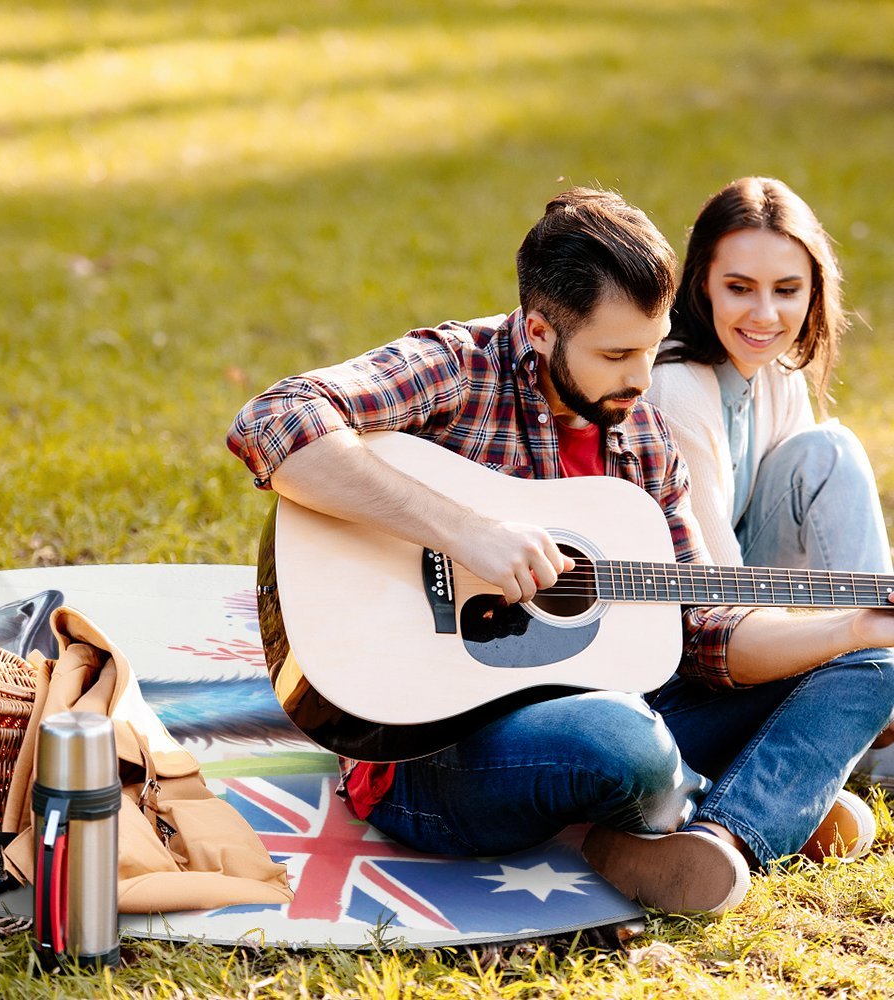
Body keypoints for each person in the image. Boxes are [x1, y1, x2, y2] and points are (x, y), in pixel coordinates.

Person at [227, 187, 894, 916]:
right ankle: (755, 795)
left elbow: (703, 629)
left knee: (874, 665)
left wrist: (850, 628)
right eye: (616, 354)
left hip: (620, 708)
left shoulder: (642, 435)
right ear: (540, 330)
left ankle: (724, 836)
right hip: (431, 753)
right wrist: (463, 531)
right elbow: (274, 419)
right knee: (622, 742)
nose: (642, 380)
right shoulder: (458, 367)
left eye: (651, 346)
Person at [647, 176, 894, 805]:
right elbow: (715, 605)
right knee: (830, 450)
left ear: (813, 290)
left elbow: (815, 532)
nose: (765, 315)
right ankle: (870, 709)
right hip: (690, 644)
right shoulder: (678, 387)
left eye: (787, 290)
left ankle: (875, 701)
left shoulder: (774, 370)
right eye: (739, 288)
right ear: (701, 282)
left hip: (754, 605)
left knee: (827, 450)